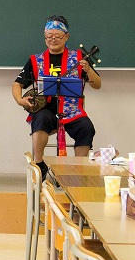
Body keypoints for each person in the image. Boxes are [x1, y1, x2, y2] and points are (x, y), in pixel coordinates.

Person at [12, 15, 101, 181]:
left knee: (86, 127)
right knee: (40, 119)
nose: (52, 39)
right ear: (44, 36)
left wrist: (88, 70)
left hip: (72, 111)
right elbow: (17, 84)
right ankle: (40, 165)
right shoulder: (35, 60)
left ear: (66, 36)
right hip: (46, 109)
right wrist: (19, 100)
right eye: (49, 36)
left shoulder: (79, 58)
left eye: (57, 36)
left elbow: (97, 84)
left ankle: (79, 169)